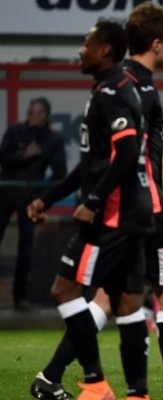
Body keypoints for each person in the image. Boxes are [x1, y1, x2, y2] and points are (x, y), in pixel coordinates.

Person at [28, 21, 154, 399]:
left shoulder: (113, 91)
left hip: (113, 216)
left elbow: (127, 153)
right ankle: (137, 393)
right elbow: (91, 165)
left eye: (87, 42)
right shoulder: (108, 89)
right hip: (131, 212)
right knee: (125, 303)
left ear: (105, 50)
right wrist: (49, 198)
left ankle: (96, 382)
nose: (81, 49)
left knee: (64, 290)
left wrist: (94, 201)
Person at [0, 97, 67, 311]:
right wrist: (23, 155)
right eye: (28, 111)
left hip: (30, 198)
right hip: (5, 194)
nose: (29, 115)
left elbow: (60, 174)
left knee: (26, 248)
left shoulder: (52, 140)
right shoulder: (15, 132)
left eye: (33, 112)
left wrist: (42, 197)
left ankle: (21, 298)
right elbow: (3, 157)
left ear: (43, 115)